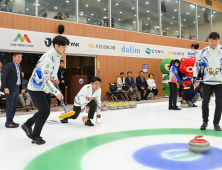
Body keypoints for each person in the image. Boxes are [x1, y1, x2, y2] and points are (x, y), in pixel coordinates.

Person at [21, 35, 69, 145]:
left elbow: (52, 72)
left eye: (66, 47)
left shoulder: (57, 55)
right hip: (36, 87)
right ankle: (35, 136)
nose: (65, 49)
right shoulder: (48, 58)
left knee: (44, 111)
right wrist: (57, 92)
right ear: (56, 46)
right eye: (63, 47)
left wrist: (56, 78)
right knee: (45, 112)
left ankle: (27, 124)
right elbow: (46, 79)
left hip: (45, 88)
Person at [194, 32, 222, 131]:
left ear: (218, 40)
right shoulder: (203, 51)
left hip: (220, 82)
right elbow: (197, 65)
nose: (214, 43)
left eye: (216, 40)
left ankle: (216, 123)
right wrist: (195, 77)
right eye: (212, 40)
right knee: (205, 102)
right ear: (209, 40)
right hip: (207, 81)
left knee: (219, 102)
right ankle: (205, 121)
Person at [1, 52, 24, 128]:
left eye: (21, 57)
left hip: (17, 88)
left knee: (14, 106)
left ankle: (11, 120)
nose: (20, 59)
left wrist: (21, 88)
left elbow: (20, 79)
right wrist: (5, 87)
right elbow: (3, 77)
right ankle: (9, 122)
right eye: (18, 57)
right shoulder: (8, 66)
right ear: (13, 57)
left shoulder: (19, 67)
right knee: (10, 105)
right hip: (10, 89)